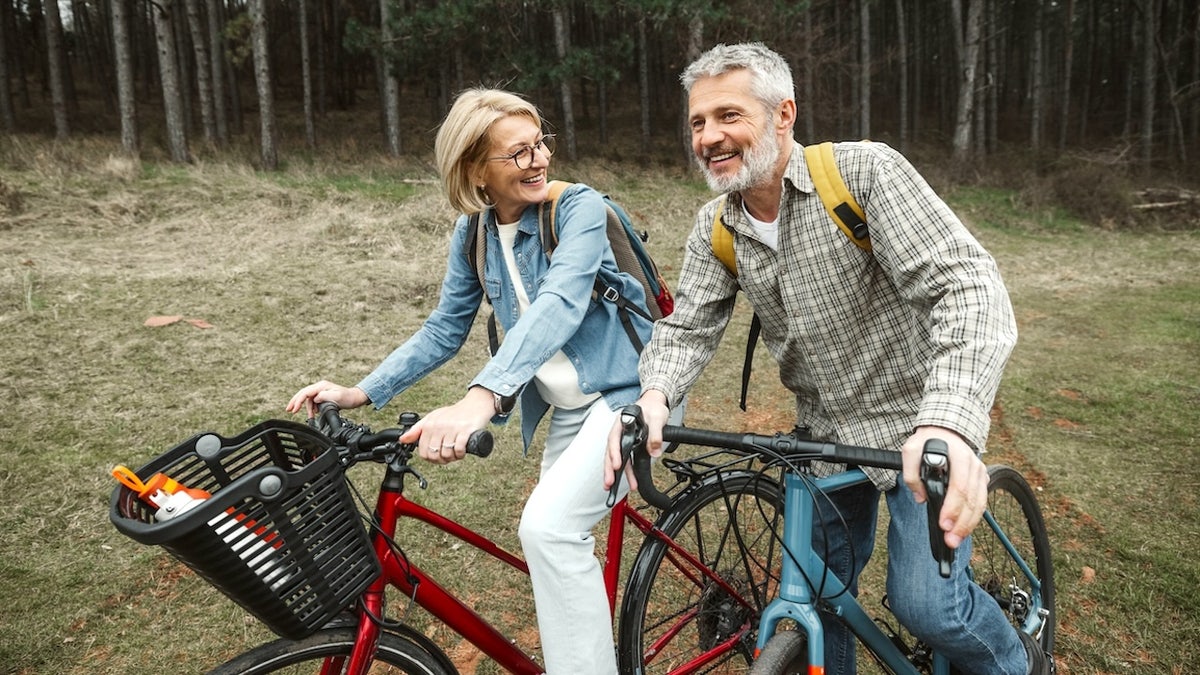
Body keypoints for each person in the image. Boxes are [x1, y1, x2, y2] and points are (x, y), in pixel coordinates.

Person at [605, 43, 1051, 675]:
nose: (709, 137)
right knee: (813, 594)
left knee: (928, 607)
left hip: (915, 427)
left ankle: (1022, 663)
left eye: (728, 115)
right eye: (698, 122)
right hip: (823, 434)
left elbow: (969, 287)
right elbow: (687, 329)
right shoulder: (716, 227)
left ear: (783, 114)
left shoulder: (863, 174)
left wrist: (947, 422)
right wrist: (653, 396)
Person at [287, 88, 653, 675]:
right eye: (518, 153)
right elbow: (443, 330)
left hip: (631, 394)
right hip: (570, 410)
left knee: (548, 530)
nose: (537, 161)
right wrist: (362, 391)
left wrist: (482, 398)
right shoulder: (474, 235)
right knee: (553, 542)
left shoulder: (577, 208)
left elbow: (559, 303)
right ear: (475, 169)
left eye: (540, 145)